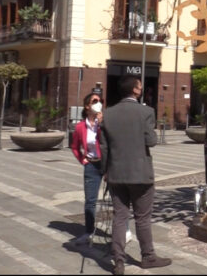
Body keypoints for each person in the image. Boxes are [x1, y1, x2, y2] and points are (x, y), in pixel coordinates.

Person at [101, 75, 171, 275]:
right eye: (140, 86)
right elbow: (151, 141)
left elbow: (104, 148)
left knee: (120, 217)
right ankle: (148, 257)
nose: (141, 88)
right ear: (135, 90)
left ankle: (118, 261)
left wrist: (105, 171)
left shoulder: (108, 114)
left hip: (116, 173)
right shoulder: (146, 111)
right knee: (142, 218)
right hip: (141, 174)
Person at [70, 92, 133, 245]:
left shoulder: (106, 122)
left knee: (117, 199)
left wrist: (103, 123)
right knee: (90, 201)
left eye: (101, 101)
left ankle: (125, 230)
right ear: (87, 106)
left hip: (109, 165)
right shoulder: (80, 127)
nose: (99, 103)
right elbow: (75, 147)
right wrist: (83, 160)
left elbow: (115, 140)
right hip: (91, 165)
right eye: (95, 101)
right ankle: (89, 231)